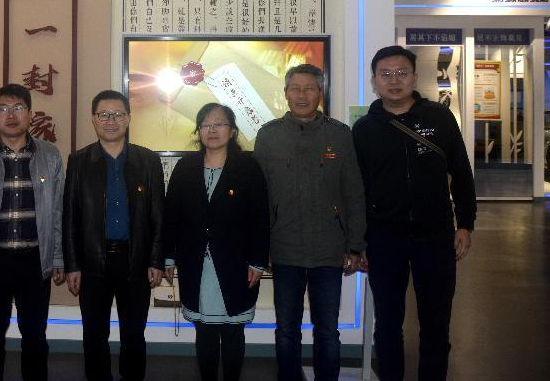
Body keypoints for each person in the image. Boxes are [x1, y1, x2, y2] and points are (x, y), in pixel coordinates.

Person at [352, 45, 476, 381]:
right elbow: (356, 189)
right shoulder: (364, 129)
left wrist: (465, 224)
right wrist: (358, 241)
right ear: (374, 81)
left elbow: (461, 172)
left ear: (414, 77)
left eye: (401, 73)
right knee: (387, 324)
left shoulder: (439, 118)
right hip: (384, 238)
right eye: (385, 74)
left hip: (435, 236)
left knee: (436, 323)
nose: (394, 80)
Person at [253, 64, 366, 381]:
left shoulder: (340, 135)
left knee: (327, 330)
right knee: (286, 329)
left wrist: (355, 246)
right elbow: (258, 198)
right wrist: (261, 249)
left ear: (320, 93)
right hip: (284, 248)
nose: (302, 95)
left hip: (329, 249)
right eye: (295, 89)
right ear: (286, 93)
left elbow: (354, 193)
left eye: (309, 89)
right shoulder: (268, 135)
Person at [0, 83, 65, 381]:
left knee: (35, 336)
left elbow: (58, 211)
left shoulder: (50, 155)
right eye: (3, 109)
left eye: (18, 108)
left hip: (35, 261)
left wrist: (58, 257)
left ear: (30, 114)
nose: (11, 115)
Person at [63, 90, 166, 381]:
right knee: (94, 334)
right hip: (92, 263)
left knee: (134, 333)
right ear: (94, 119)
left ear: (128, 119)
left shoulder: (148, 160)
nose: (111, 121)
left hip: (135, 261)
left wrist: (156, 260)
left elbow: (158, 215)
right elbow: (70, 216)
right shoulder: (79, 161)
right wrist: (72, 265)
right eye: (104, 115)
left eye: (118, 115)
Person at [164, 103, 269, 381]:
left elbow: (260, 218)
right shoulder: (185, 168)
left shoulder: (248, 168)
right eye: (206, 124)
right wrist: (168, 257)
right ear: (198, 131)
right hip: (196, 264)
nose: (212, 130)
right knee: (205, 331)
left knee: (233, 331)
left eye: (219, 123)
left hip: (236, 265)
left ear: (232, 131)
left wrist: (258, 262)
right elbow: (171, 215)